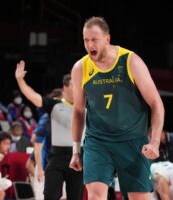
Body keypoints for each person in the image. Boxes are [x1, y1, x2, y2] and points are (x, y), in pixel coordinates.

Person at [69, 16, 165, 200]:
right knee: (96, 195)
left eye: (94, 40)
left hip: (132, 140)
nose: (90, 45)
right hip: (97, 140)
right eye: (86, 40)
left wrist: (154, 142)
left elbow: (156, 104)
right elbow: (79, 110)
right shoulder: (80, 68)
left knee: (139, 197)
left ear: (107, 39)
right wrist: (75, 151)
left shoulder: (131, 62)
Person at [16, 62, 84, 200]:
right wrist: (20, 80)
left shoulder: (86, 106)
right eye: (73, 85)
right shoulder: (55, 106)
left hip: (79, 158)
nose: (78, 89)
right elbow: (33, 97)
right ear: (64, 88)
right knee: (50, 196)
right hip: (56, 158)